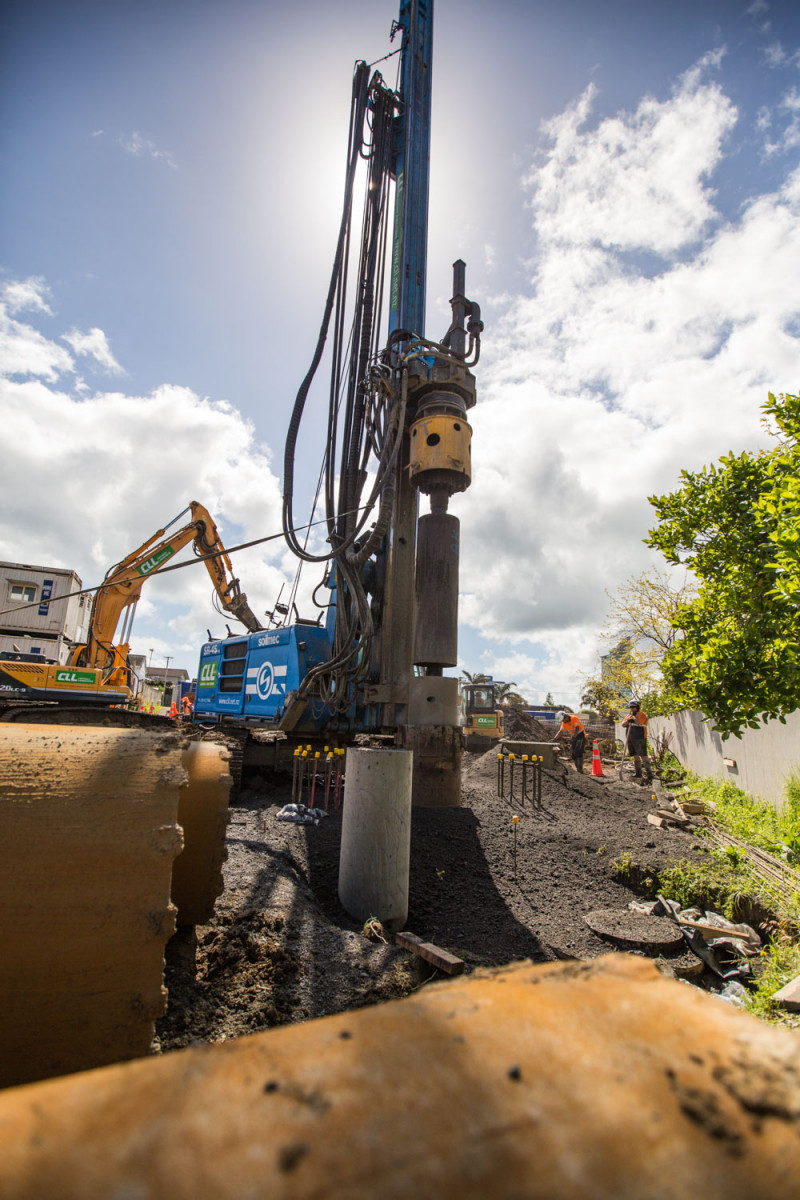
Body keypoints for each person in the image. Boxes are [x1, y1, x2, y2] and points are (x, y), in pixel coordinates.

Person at [622, 700, 653, 783]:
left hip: (640, 738)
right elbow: (623, 724)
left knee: (643, 755)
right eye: (631, 707)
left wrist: (634, 719)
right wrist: (628, 721)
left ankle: (649, 774)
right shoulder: (628, 715)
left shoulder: (642, 715)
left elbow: (640, 723)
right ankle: (638, 773)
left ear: (637, 707)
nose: (632, 709)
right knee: (635, 755)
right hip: (630, 738)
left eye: (633, 707)